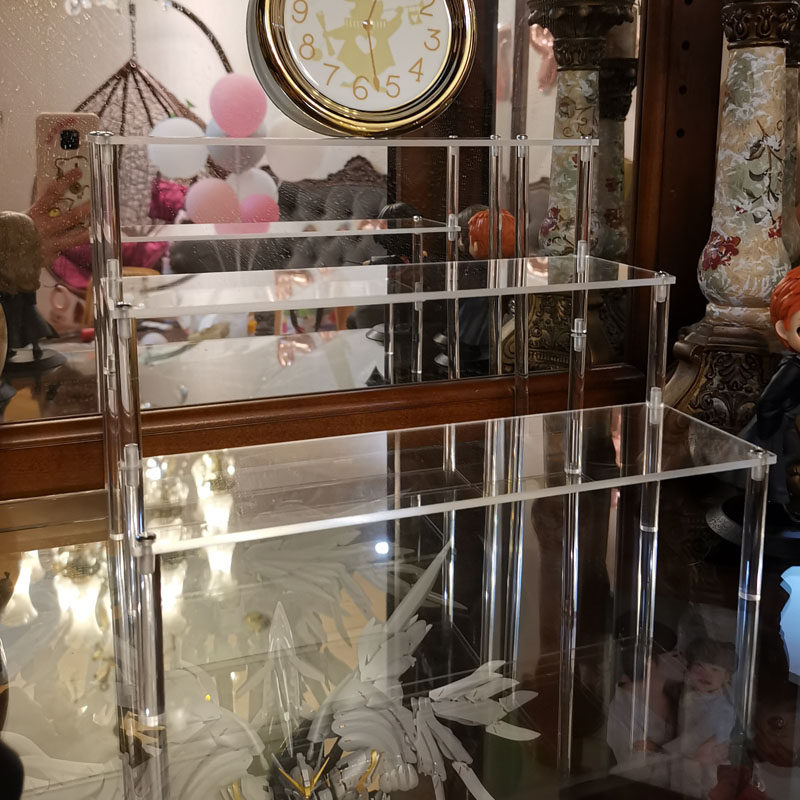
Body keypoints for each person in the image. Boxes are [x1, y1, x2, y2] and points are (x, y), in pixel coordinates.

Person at [740, 265, 800, 518]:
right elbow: (768, 400)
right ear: (783, 330)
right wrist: (772, 427)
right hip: (776, 425)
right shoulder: (793, 367)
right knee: (776, 465)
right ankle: (777, 505)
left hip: (789, 421)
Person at [664, 638, 736, 798]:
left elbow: (720, 727)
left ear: (727, 676)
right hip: (687, 755)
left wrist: (709, 744)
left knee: (704, 787)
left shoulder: (723, 703)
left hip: (706, 755)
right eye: (699, 666)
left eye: (715, 669)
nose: (706, 674)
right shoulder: (689, 692)